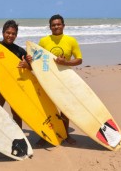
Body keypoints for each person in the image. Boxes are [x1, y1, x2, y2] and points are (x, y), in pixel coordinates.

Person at [30, 14, 82, 146]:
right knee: (47, 107)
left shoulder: (71, 41)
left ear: (64, 25)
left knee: (65, 107)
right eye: (53, 25)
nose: (56, 27)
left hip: (65, 78)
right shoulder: (43, 41)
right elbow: (37, 59)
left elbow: (79, 59)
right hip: (47, 78)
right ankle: (46, 134)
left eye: (59, 24)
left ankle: (65, 134)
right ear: (50, 27)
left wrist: (66, 62)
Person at [0, 20, 31, 128]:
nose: (10, 35)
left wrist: (27, 65)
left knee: (16, 113)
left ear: (16, 35)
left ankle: (19, 138)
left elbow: (31, 69)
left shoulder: (20, 51)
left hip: (15, 85)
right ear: (3, 33)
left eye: (13, 33)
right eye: (8, 32)